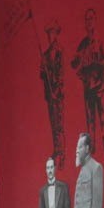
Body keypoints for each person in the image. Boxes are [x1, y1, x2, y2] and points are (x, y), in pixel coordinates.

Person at [72, 9, 104, 163]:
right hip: (87, 88)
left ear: (95, 21)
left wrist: (94, 63)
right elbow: (75, 64)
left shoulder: (100, 41)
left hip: (99, 86)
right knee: (90, 124)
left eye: (91, 19)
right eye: (86, 20)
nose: (89, 22)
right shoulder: (82, 44)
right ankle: (92, 156)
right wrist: (78, 63)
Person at [38, 18, 66, 166]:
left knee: (59, 124)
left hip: (58, 94)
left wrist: (57, 90)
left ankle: (62, 153)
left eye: (53, 33)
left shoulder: (60, 51)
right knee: (53, 123)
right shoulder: (45, 54)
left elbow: (61, 74)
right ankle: (56, 149)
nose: (51, 36)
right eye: (49, 33)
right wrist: (43, 68)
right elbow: (42, 75)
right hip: (50, 94)